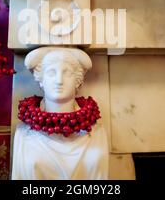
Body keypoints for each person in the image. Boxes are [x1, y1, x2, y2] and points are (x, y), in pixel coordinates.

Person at [11, 47, 109, 180]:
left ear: (78, 80)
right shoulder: (24, 134)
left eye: (67, 73)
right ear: (41, 80)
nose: (59, 81)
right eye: (51, 72)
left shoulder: (97, 133)